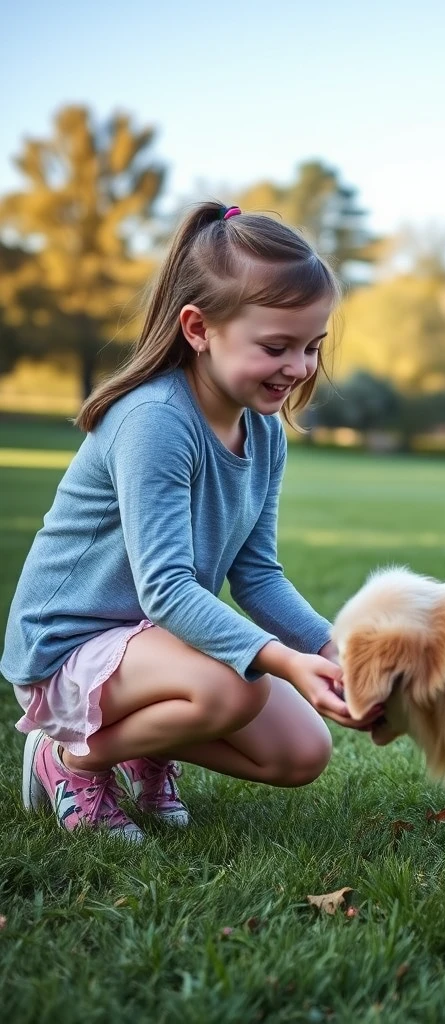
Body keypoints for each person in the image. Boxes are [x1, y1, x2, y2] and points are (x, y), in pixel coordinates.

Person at [3, 202, 376, 842]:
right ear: (198, 328)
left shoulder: (263, 429)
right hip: (67, 649)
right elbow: (166, 587)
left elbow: (257, 575)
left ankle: (149, 749)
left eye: (312, 346)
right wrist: (281, 661)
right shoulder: (154, 420)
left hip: (152, 645)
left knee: (302, 753)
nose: (300, 367)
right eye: (276, 347)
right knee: (238, 687)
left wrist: (330, 650)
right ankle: (70, 757)